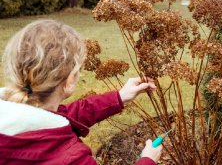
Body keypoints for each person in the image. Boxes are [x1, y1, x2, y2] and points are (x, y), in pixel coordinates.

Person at [0, 20, 162, 165]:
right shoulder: (72, 158)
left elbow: (65, 115)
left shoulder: (14, 117)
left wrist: (119, 97)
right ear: (69, 81)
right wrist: (147, 160)